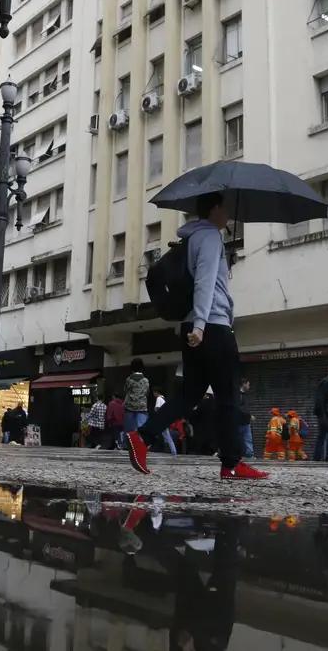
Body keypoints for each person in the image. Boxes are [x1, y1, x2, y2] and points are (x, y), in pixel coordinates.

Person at [128, 192, 267, 480]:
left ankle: (143, 437)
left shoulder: (192, 239)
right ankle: (231, 463)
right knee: (229, 397)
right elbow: (204, 281)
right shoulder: (210, 237)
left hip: (193, 327)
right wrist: (202, 324)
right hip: (211, 328)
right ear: (215, 208)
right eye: (225, 207)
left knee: (188, 395)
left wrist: (196, 324)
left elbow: (205, 282)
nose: (228, 213)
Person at [123, 359, 151, 437]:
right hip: (142, 407)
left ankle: (128, 446)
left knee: (129, 429)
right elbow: (147, 393)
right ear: (142, 367)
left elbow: (125, 391)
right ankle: (141, 445)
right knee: (141, 428)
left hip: (129, 407)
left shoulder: (128, 379)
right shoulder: (145, 380)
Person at [151, 386, 177, 456]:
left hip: (160, 421)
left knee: (152, 434)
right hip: (164, 420)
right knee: (167, 437)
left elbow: (157, 409)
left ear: (156, 392)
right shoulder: (163, 399)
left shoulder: (159, 398)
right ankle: (174, 452)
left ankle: (147, 448)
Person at [237, 378, 255, 458]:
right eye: (248, 384)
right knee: (242, 440)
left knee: (248, 440)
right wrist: (249, 416)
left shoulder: (242, 395)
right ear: (243, 384)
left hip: (245, 422)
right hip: (239, 422)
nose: (249, 387)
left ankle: (250, 455)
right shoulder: (238, 395)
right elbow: (240, 409)